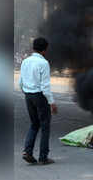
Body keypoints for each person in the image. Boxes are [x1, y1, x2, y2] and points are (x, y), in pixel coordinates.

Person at [19, 37, 58, 165]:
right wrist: (51, 103)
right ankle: (43, 157)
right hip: (40, 96)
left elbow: (21, 82)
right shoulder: (44, 63)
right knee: (45, 126)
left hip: (28, 95)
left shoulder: (25, 61)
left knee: (34, 124)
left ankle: (27, 151)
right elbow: (45, 87)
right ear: (45, 50)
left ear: (33, 48)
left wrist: (26, 92)